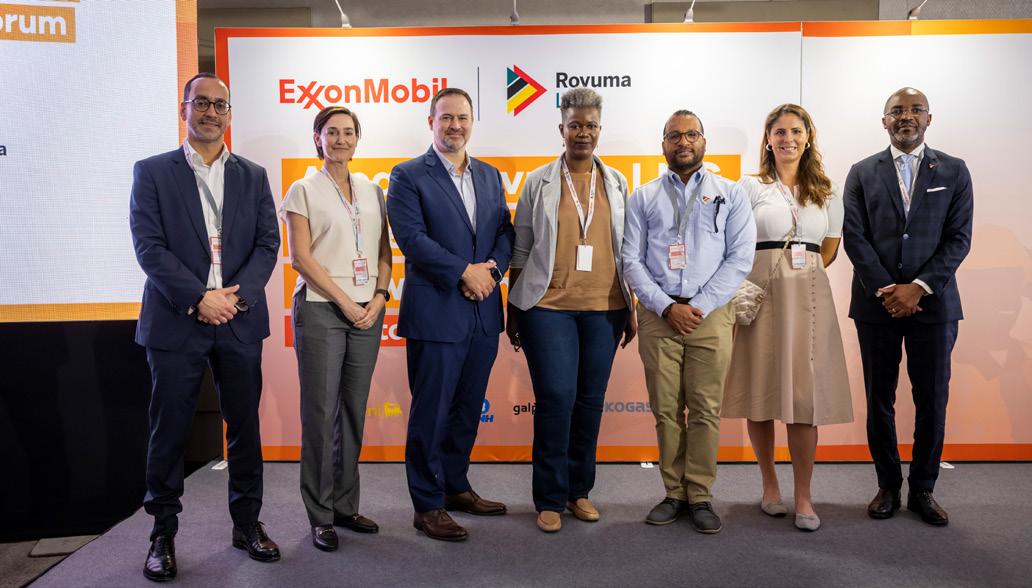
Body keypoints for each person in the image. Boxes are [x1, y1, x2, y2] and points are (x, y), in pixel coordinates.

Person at [130, 72, 280, 582]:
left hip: (238, 319)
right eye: (201, 103)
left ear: (230, 114)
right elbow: (149, 246)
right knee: (169, 430)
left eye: (220, 104)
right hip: (177, 321)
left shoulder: (253, 175)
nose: (211, 112)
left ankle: (247, 524)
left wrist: (234, 299)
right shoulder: (153, 171)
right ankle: (162, 533)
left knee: (245, 429)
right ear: (184, 109)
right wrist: (199, 298)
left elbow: (268, 244)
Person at [386, 87, 515, 542]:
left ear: (472, 123)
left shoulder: (490, 175)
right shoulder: (407, 175)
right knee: (432, 412)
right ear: (431, 122)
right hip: (437, 312)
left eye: (462, 118)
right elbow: (411, 239)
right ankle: (427, 504)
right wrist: (464, 271)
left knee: (466, 409)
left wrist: (491, 271)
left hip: (482, 314)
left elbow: (505, 233)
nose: (454, 125)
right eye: (446, 118)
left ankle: (455, 486)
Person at [506, 88, 636, 533]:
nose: (583, 132)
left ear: (600, 130)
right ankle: (549, 496)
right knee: (556, 399)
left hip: (606, 308)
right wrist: (513, 308)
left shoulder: (617, 182)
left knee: (590, 401)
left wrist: (631, 306)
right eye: (575, 125)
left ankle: (579, 491)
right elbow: (521, 248)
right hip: (548, 308)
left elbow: (627, 250)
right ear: (561, 129)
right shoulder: (538, 181)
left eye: (591, 125)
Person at [842, 87, 973, 527]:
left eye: (916, 109)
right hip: (876, 306)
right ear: (884, 121)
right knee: (879, 399)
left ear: (929, 118)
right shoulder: (862, 172)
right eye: (897, 110)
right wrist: (887, 290)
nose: (906, 116)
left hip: (934, 307)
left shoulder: (954, 170)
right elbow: (855, 237)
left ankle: (923, 489)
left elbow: (959, 239)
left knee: (932, 399)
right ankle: (887, 486)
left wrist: (917, 288)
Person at [622, 110, 756, 534]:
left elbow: (740, 259)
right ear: (663, 144)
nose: (684, 142)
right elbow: (630, 259)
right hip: (659, 315)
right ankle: (673, 493)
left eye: (692, 134)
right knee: (665, 410)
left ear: (704, 141)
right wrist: (666, 307)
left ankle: (699, 495)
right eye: (675, 135)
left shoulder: (730, 194)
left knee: (704, 410)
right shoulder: (643, 197)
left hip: (710, 316)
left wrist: (698, 304)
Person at [722, 104, 853, 532]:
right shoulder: (750, 186)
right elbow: (732, 240)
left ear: (808, 137)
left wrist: (800, 275)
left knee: (804, 401)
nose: (788, 139)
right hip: (760, 295)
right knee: (759, 392)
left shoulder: (828, 191)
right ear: (768, 139)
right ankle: (770, 487)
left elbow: (829, 249)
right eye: (779, 132)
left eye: (796, 131)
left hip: (809, 298)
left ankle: (804, 497)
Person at [282, 106, 392, 552]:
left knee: (352, 411)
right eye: (332, 132)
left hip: (368, 312)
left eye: (349, 132)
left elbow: (384, 251)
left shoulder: (372, 189)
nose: (341, 139)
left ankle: (345, 507)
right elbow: (300, 257)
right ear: (318, 138)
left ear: (357, 139)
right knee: (320, 413)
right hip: (322, 309)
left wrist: (380, 297)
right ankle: (320, 514)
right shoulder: (303, 189)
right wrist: (346, 302)